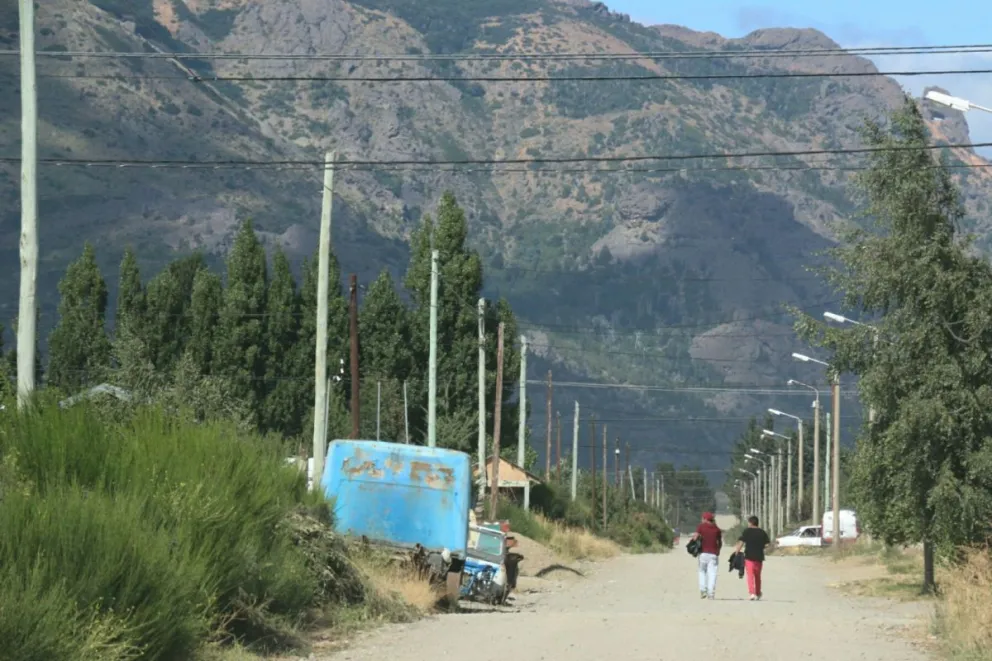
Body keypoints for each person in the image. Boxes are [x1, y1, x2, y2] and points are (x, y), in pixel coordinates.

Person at [733, 515, 772, 601]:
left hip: (749, 557)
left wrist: (737, 552)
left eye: (748, 522)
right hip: (759, 557)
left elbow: (741, 542)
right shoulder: (762, 532)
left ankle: (752, 593)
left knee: (750, 576)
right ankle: (757, 593)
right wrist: (761, 547)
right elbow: (767, 544)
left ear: (751, 523)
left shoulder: (747, 531)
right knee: (757, 576)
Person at [689, 512, 722, 599]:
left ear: (705, 519)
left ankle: (703, 590)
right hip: (713, 554)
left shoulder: (701, 527)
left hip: (703, 553)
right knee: (712, 574)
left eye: (702, 518)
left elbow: (695, 537)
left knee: (702, 571)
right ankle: (711, 593)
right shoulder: (717, 529)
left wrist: (692, 544)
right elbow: (719, 542)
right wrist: (718, 550)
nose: (702, 520)